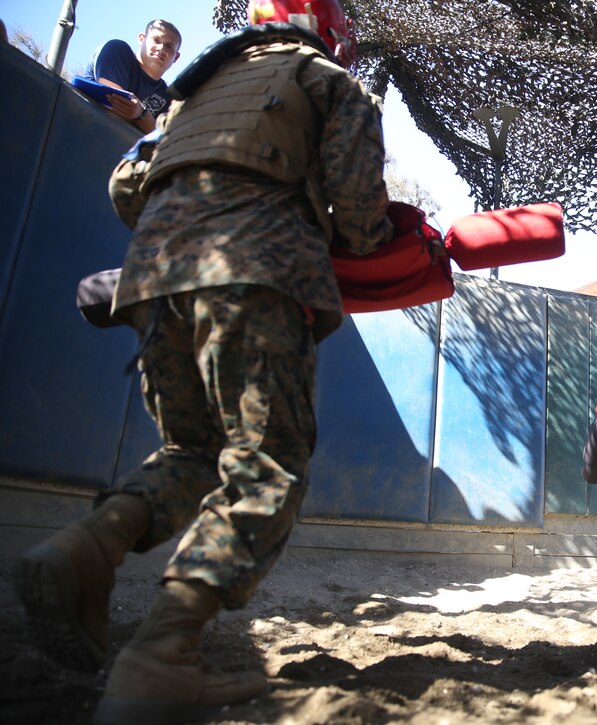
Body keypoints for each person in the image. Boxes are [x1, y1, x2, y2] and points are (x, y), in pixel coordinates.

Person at [15, 1, 393, 721]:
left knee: (192, 448)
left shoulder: (193, 87)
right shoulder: (330, 82)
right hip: (255, 273)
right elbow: (360, 210)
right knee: (267, 460)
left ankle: (85, 546)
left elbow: (125, 186)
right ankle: (163, 653)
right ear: (329, 31)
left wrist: (188, 222)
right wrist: (377, 239)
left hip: (154, 275)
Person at [91, 19, 182, 132]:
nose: (161, 48)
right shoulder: (117, 51)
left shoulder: (169, 97)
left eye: (169, 46)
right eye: (156, 40)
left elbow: (165, 139)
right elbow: (111, 104)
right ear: (141, 39)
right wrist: (145, 120)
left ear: (176, 57)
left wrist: (141, 114)